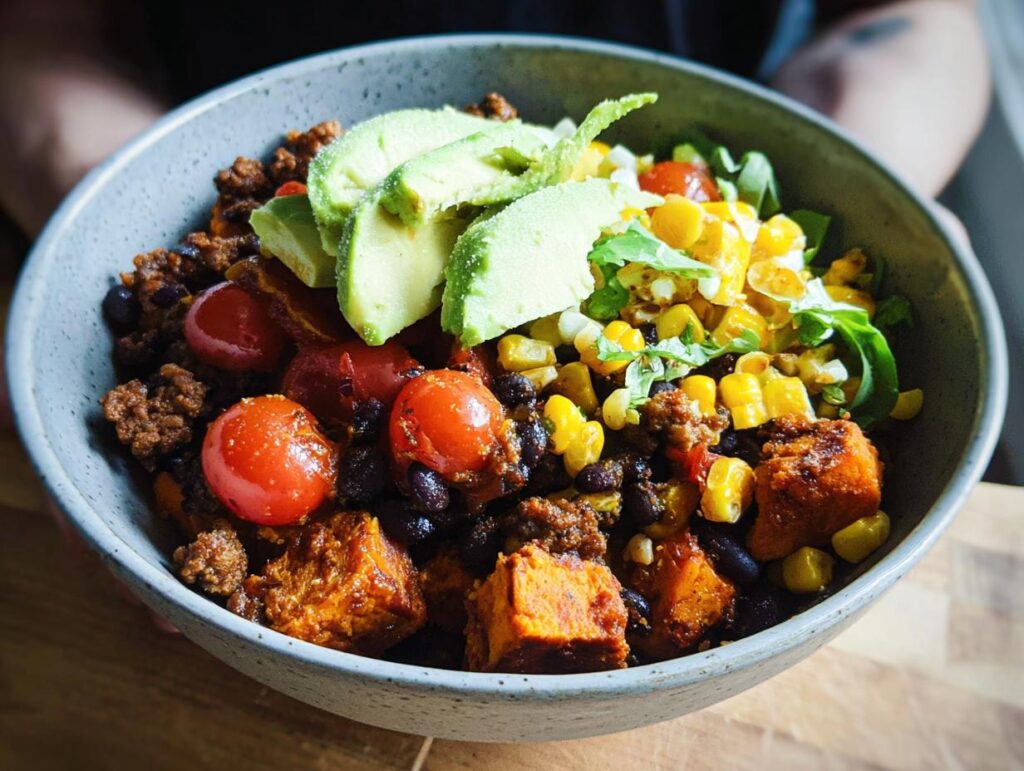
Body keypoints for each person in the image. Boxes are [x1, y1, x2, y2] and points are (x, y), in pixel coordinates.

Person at [0, 0, 990, 236]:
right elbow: (42, 39)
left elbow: (916, 21)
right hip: (235, 182)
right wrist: (120, 213)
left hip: (669, 186)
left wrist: (860, 180)